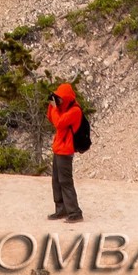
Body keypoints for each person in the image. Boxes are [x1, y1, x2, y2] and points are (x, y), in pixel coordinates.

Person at [46, 80, 84, 222]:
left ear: (67, 97)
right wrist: (52, 106)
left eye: (60, 97)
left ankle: (75, 213)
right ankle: (61, 210)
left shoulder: (75, 111)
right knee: (56, 181)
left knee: (65, 181)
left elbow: (59, 123)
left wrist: (55, 108)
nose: (59, 100)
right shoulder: (64, 108)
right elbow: (51, 118)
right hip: (58, 148)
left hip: (66, 150)